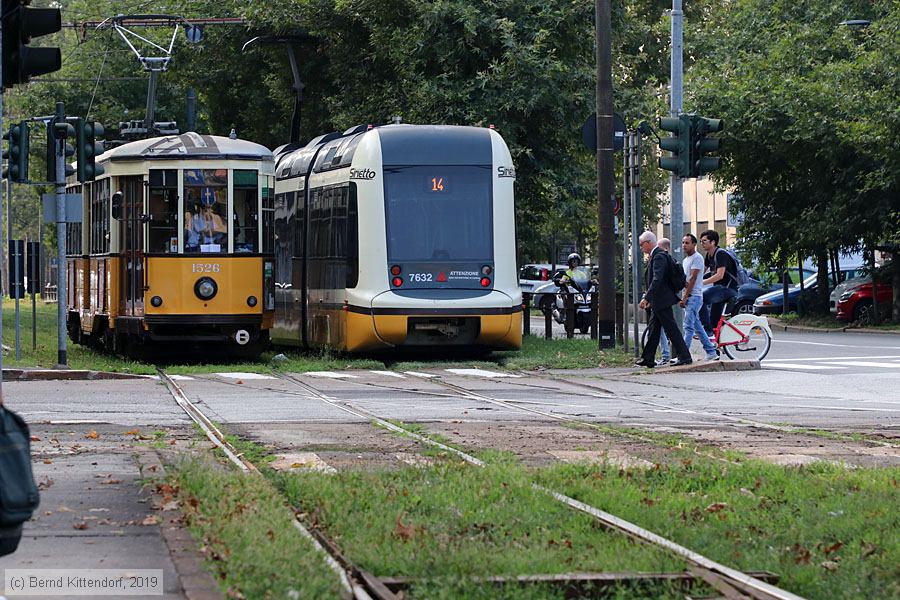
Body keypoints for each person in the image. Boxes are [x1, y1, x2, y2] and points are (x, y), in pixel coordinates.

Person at [635, 231, 692, 368]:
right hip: (660, 299)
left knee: (671, 329)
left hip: (661, 299)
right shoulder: (658, 255)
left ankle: (685, 356)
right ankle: (648, 358)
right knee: (654, 329)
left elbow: (657, 279)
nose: (641, 248)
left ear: (648, 243)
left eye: (642, 244)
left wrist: (647, 297)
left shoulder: (659, 256)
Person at [680, 233, 719, 360]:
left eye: (687, 243)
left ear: (694, 244)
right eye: (683, 243)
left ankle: (683, 355)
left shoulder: (697, 258)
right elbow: (686, 280)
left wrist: (685, 297)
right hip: (689, 296)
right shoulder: (686, 260)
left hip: (694, 296)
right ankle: (711, 352)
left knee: (688, 326)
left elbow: (693, 278)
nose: (684, 245)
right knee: (697, 327)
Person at [699, 229, 739, 334]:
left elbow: (720, 275)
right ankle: (714, 341)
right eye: (701, 241)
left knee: (700, 298)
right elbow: (701, 272)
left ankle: (706, 329)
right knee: (714, 322)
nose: (702, 243)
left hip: (727, 289)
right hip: (719, 290)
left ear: (713, 242)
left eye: (704, 241)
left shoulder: (720, 254)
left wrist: (702, 282)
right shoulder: (709, 255)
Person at [656, 238, 672, 365]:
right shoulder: (667, 259)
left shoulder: (663, 259)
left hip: (663, 299)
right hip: (664, 298)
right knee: (659, 327)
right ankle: (665, 354)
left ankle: (667, 354)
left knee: (674, 328)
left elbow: (658, 279)